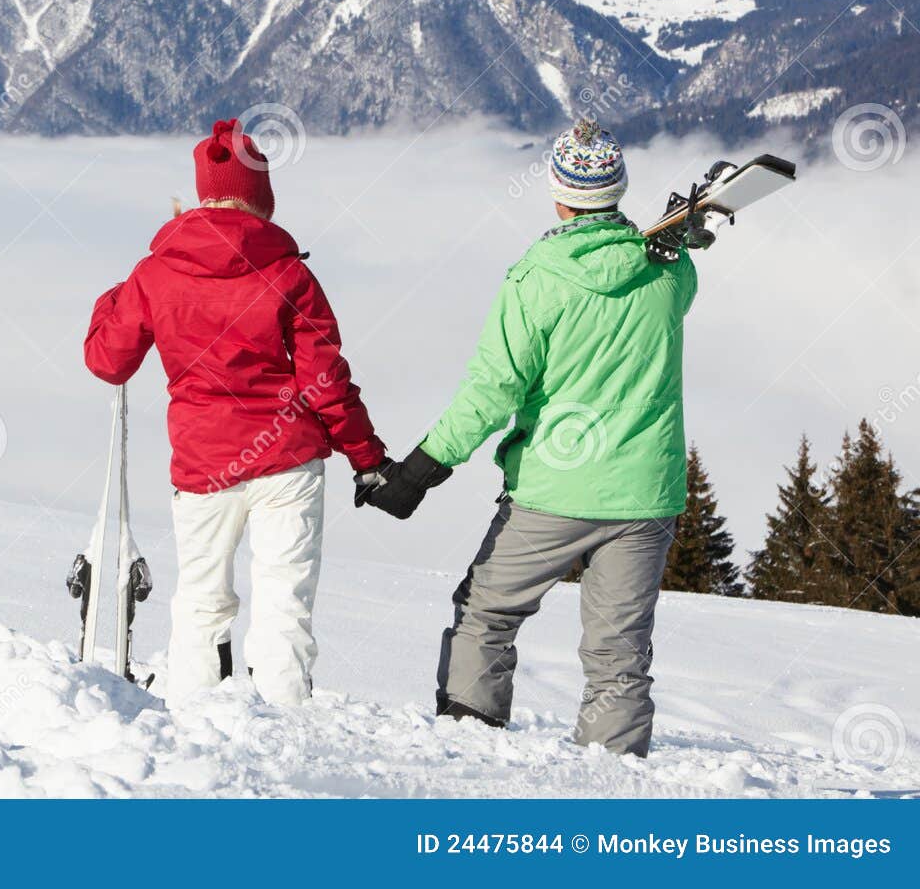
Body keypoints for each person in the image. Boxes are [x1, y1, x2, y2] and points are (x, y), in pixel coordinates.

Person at [359, 116, 698, 757]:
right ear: (618, 190)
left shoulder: (536, 279)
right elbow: (676, 283)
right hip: (645, 493)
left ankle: (470, 749)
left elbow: (492, 392)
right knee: (619, 654)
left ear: (558, 194)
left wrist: (419, 470)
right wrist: (677, 240)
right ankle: (614, 785)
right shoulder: (669, 273)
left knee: (485, 615)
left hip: (554, 488)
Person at [84, 119, 388, 707]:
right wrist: (368, 458)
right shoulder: (289, 273)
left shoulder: (155, 272)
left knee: (200, 600)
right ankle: (283, 721)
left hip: (203, 465)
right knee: (284, 600)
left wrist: (115, 296)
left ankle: (197, 722)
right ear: (261, 199)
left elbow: (108, 361)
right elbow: (325, 382)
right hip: (288, 460)